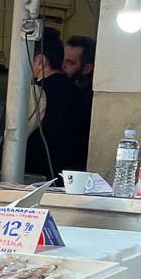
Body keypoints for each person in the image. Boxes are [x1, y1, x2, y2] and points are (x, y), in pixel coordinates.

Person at [24, 27, 86, 180]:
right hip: (71, 180)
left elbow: (15, 134)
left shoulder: (36, 93)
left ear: (40, 62)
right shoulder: (80, 94)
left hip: (34, 177)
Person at [63, 33, 96, 161]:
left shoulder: (86, 101)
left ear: (87, 68)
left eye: (69, 63)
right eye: (62, 60)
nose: (62, 66)